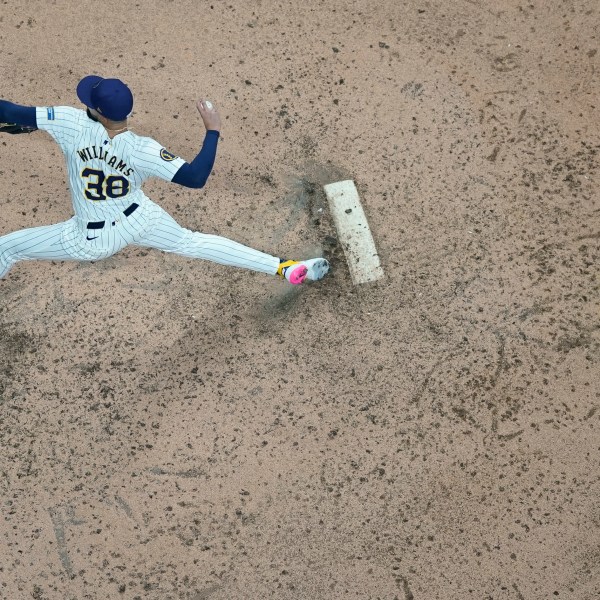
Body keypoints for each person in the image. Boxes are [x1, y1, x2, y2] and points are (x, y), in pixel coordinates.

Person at [0, 75, 330, 285]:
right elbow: (196, 177)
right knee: (192, 242)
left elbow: (10, 112)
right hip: (140, 217)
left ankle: (284, 268)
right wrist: (212, 131)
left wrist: (36, 123)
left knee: (7, 249)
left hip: (90, 238)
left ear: (97, 111)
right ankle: (286, 268)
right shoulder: (144, 149)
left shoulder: (69, 122)